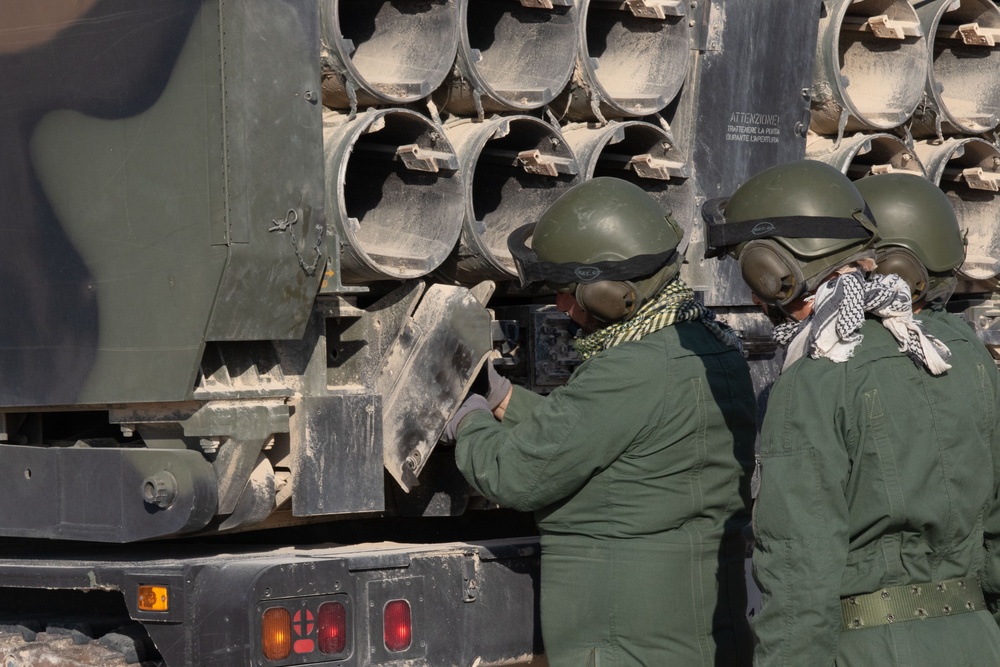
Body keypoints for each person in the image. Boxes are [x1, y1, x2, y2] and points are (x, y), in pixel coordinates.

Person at [444, 177, 756, 667]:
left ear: (614, 292)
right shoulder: (714, 348)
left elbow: (515, 475)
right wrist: (505, 400)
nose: (563, 307)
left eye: (570, 291)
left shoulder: (628, 369)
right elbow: (606, 436)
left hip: (627, 644)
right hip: (705, 637)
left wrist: (467, 419)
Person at [704, 159, 1000, 666]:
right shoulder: (966, 353)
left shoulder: (814, 377)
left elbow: (799, 573)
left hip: (871, 646)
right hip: (975, 638)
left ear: (776, 271)